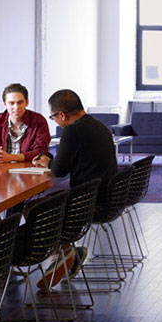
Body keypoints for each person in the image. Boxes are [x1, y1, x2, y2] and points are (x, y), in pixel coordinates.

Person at [32, 89, 118, 288]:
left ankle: (64, 254)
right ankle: (68, 253)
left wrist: (47, 162)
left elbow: (59, 171)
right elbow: (75, 162)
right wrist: (52, 162)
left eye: (53, 117)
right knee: (43, 205)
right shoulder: (100, 126)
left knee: (34, 209)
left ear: (62, 115)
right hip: (108, 198)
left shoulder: (72, 131)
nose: (55, 121)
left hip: (89, 202)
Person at [0, 82, 51, 164]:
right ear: (5, 104)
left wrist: (10, 157)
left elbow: (40, 151)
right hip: (2, 169)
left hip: (28, 169)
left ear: (27, 102)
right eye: (11, 103)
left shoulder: (38, 120)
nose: (16, 107)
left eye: (20, 102)